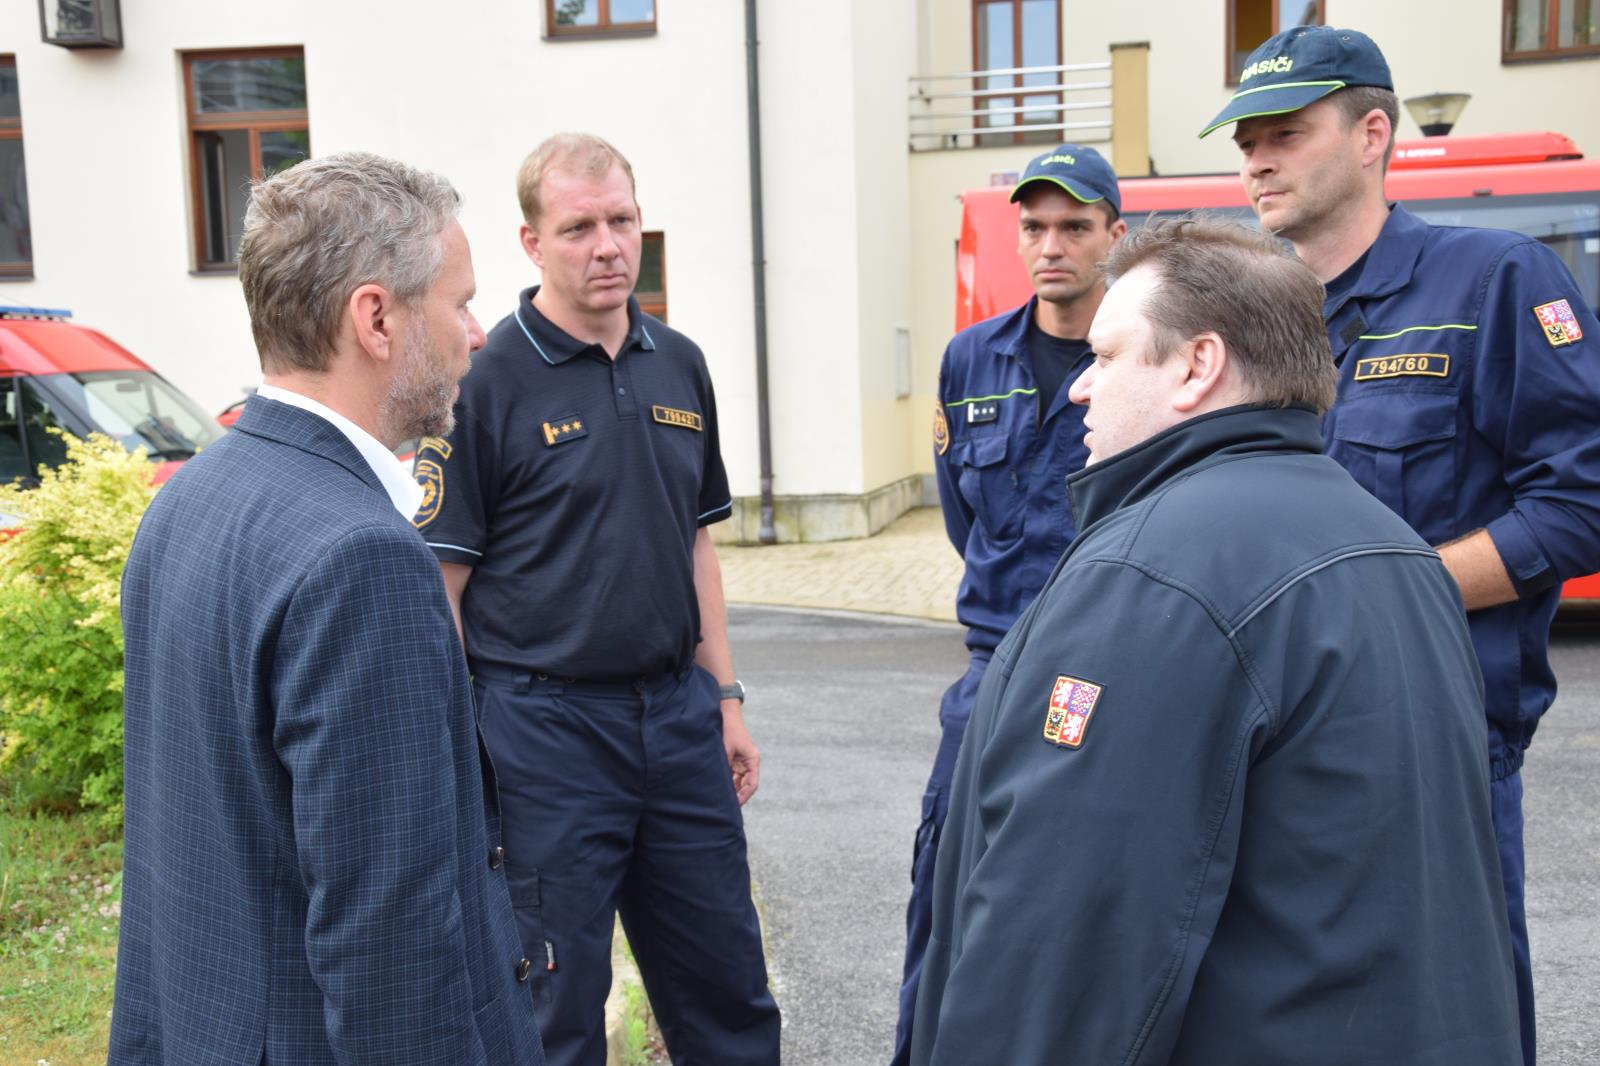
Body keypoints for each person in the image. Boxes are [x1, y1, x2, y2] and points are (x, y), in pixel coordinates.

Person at [909, 217, 1523, 1065]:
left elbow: (1068, 947)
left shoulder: (1153, 577)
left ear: (1198, 366)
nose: (1081, 389)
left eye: (1109, 355)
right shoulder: (1396, 547)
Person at [1202, 26, 1600, 1064]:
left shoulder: (1493, 280)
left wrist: (1393, 591)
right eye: (1246, 140)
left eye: (1285, 133)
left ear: (1372, 132)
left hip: (1437, 740)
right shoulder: (1250, 319)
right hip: (1277, 740)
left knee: (1455, 1021)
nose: (1257, 161)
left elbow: (1579, 504)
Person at [111, 154, 543, 1064]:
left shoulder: (186, 499)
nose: (476, 334)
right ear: (376, 318)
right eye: (459, 304)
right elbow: (389, 946)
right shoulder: (363, 557)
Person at [414, 132, 780, 1066]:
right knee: (554, 1008)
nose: (608, 245)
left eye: (622, 220)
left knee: (727, 991)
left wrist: (726, 697)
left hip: (677, 722)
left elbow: (694, 539)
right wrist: (463, 753)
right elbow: (441, 588)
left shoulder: (679, 362)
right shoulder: (485, 380)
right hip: (546, 737)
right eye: (578, 227)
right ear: (532, 244)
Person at [892, 143, 1126, 1065]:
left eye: (1075, 226)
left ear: (1115, 232)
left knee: (1080, 893)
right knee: (948, 876)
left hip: (1099, 670)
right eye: (1035, 227)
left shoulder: (1139, 360)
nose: (1052, 245)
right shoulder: (970, 359)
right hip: (994, 669)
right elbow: (965, 516)